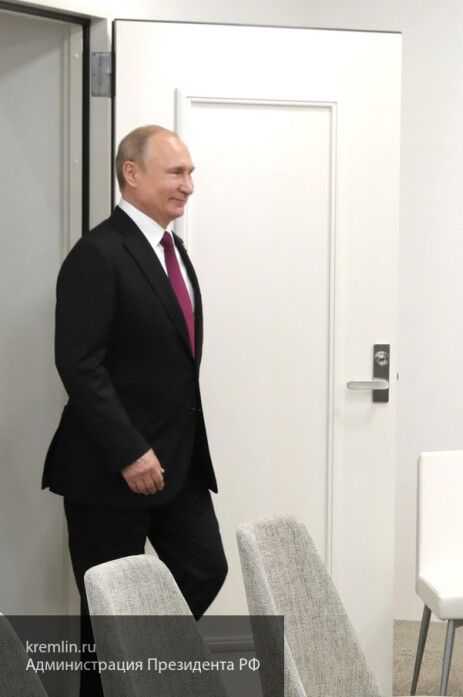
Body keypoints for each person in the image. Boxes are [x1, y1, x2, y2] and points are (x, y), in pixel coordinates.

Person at [43, 125, 227, 697]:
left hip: (178, 462)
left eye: (190, 173)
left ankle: (147, 671)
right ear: (131, 173)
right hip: (108, 468)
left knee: (204, 568)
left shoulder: (175, 250)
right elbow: (80, 365)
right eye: (176, 172)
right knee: (108, 615)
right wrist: (130, 451)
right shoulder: (97, 254)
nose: (188, 185)